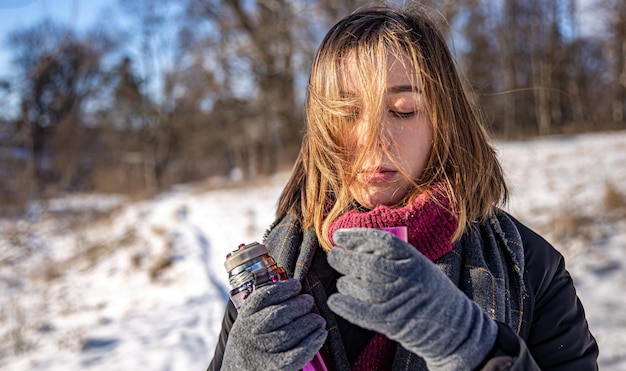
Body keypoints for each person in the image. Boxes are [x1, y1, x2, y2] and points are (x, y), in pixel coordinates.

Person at [209, 4, 598, 371]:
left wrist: (475, 347)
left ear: (444, 121)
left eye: (403, 110)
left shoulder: (530, 268)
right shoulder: (273, 277)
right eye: (346, 113)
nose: (372, 139)